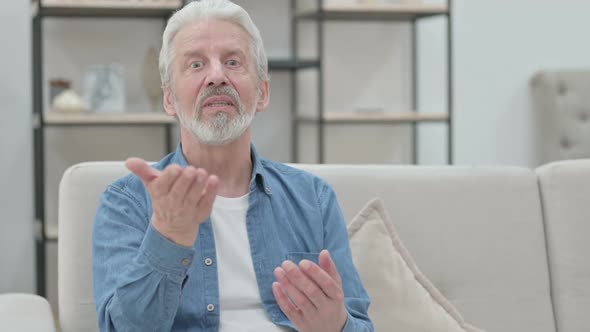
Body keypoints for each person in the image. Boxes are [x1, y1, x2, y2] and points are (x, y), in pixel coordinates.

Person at [92, 1, 373, 331]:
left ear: (262, 93)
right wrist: (169, 236)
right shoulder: (125, 203)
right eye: (196, 64)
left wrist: (336, 325)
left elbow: (360, 325)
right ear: (169, 98)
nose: (216, 76)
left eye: (233, 62)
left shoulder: (314, 199)